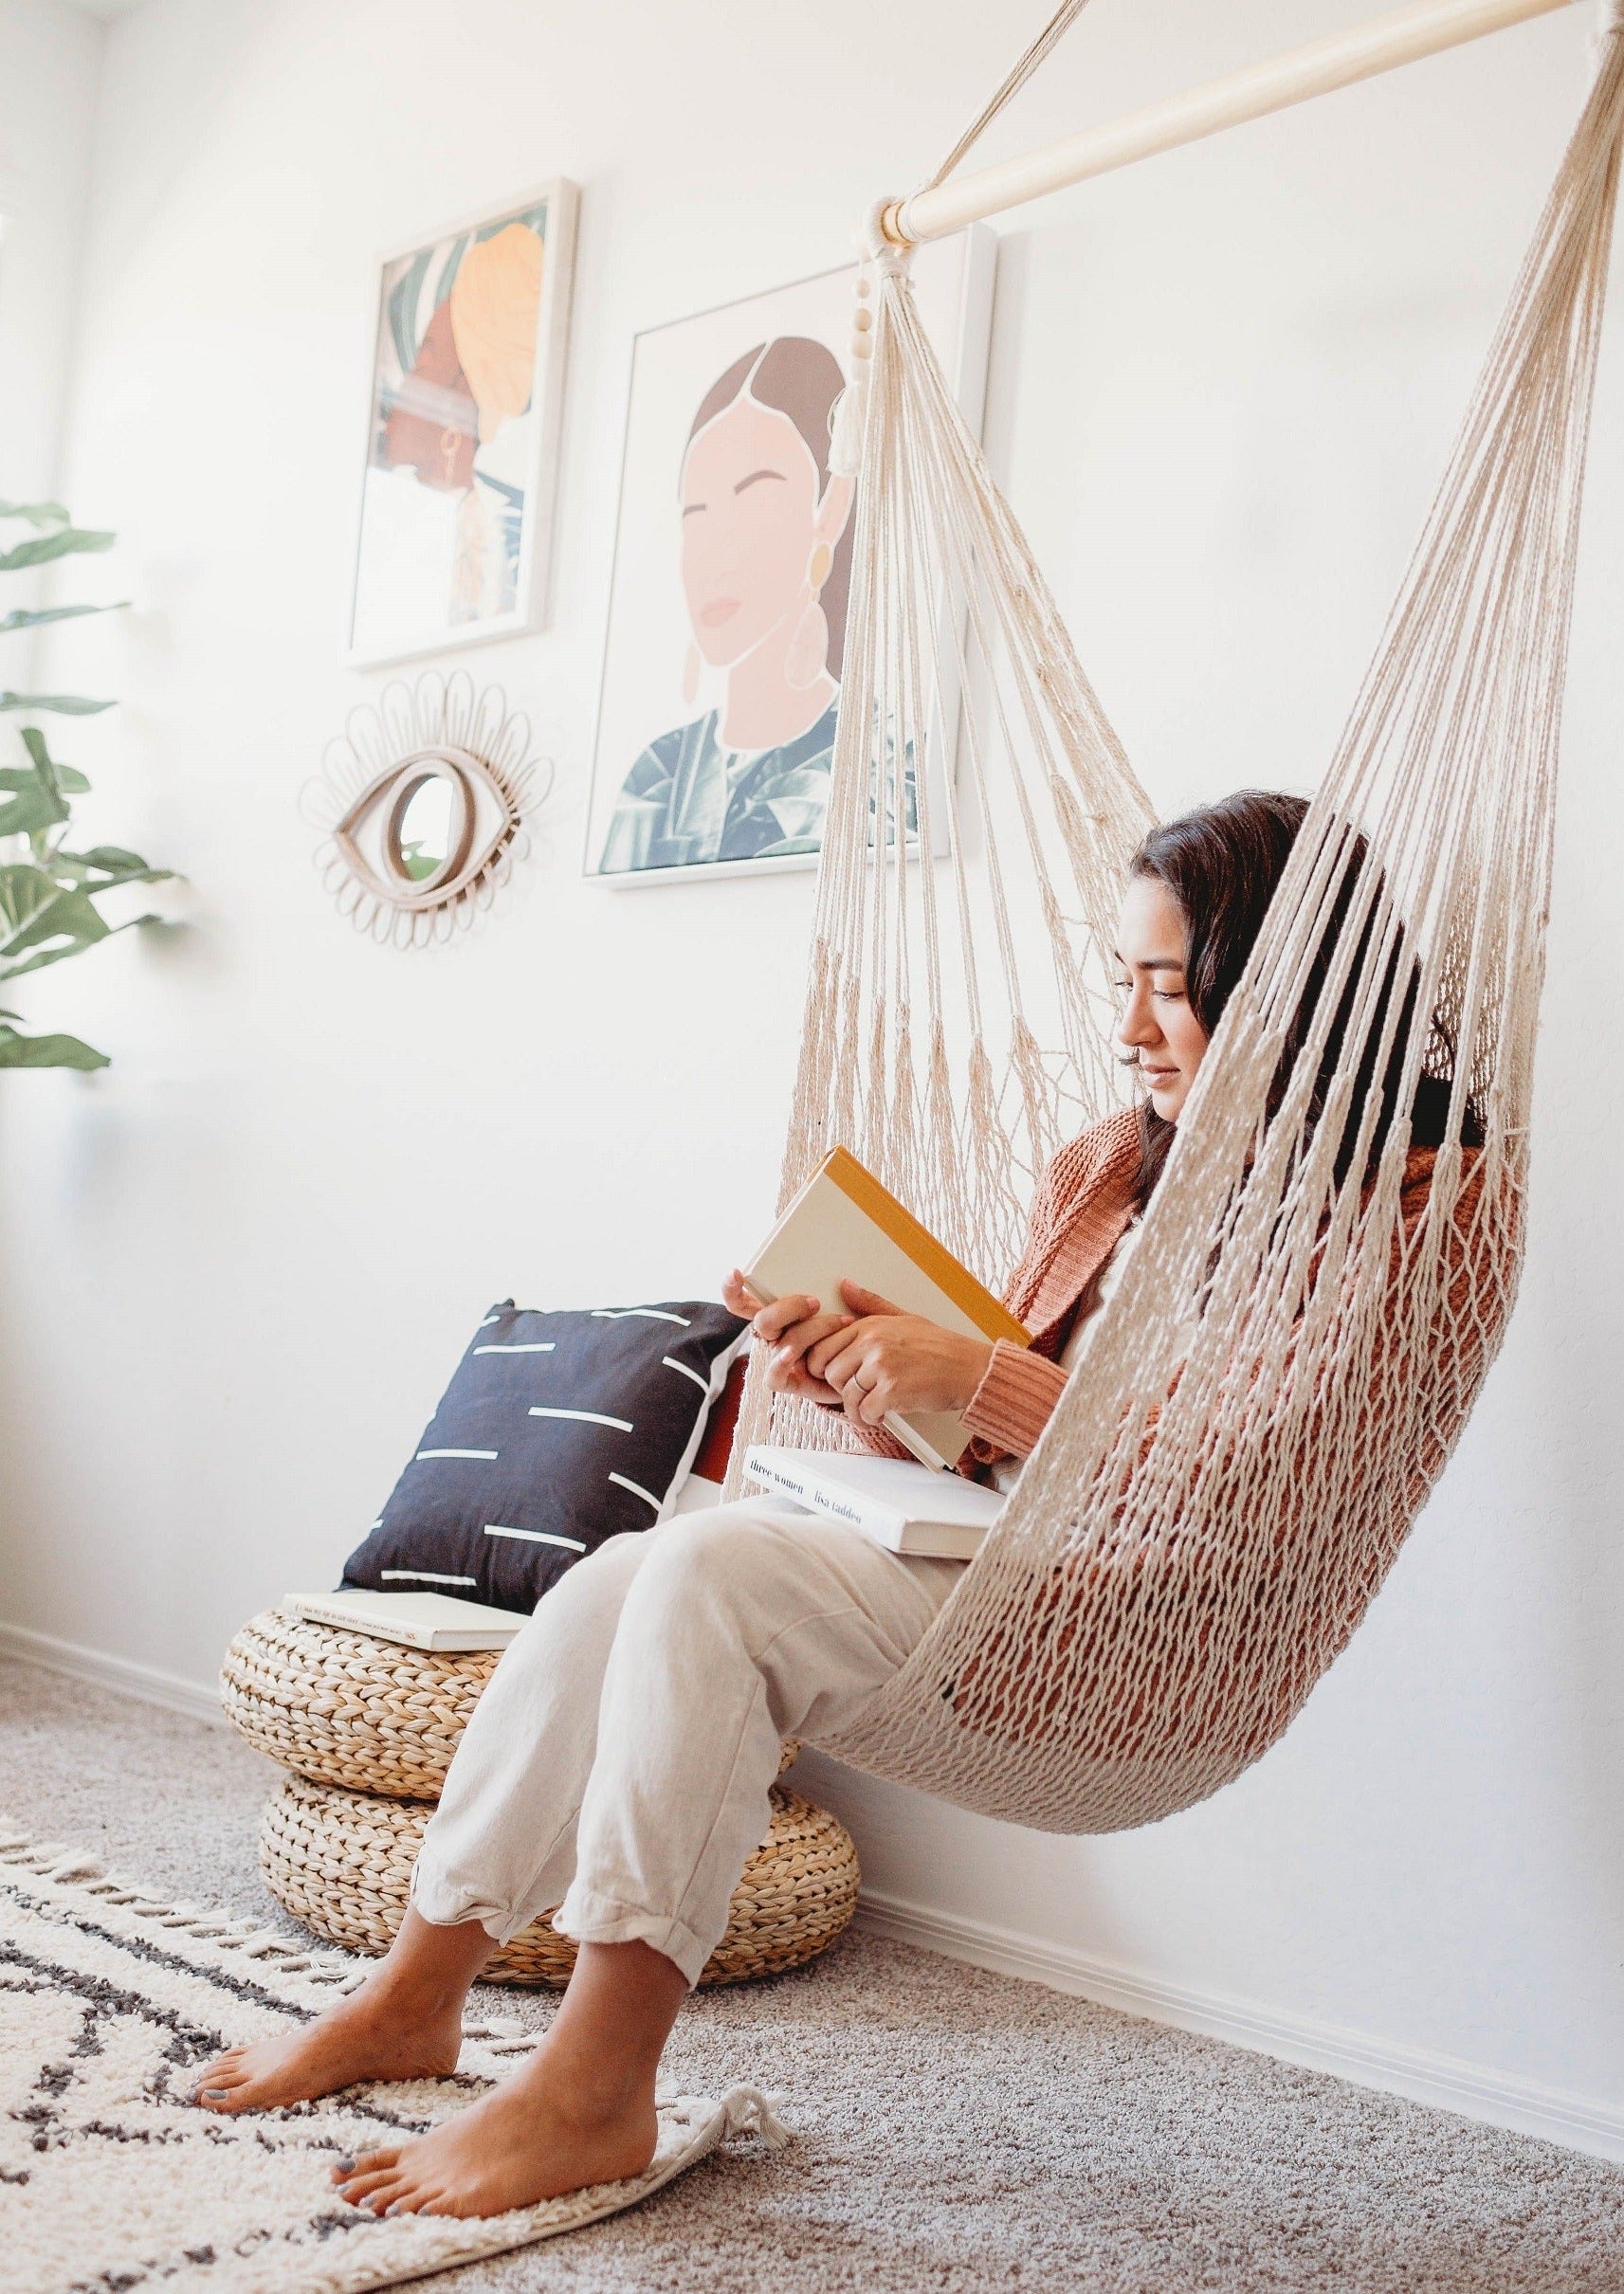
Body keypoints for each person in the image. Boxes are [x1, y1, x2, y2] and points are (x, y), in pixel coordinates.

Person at [192, 791, 1473, 2219]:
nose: (1129, 1029)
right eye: (1124, 983)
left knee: (712, 1579)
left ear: (1290, 987)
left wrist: (979, 1376)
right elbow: (992, 1454)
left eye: (1170, 990)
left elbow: (1249, 1476)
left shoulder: (1421, 1204)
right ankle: (412, 1997)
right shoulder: (1113, 1167)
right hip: (998, 1572)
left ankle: (592, 2088)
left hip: (1151, 1640)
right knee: (632, 1572)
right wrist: (876, 1371)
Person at [597, 337, 856, 874]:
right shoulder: (657, 775)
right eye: (697, 513)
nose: (715, 550)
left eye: (755, 498)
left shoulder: (878, 762)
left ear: (828, 510)